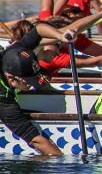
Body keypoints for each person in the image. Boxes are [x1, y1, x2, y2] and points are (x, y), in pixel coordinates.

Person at [0, 22, 69, 155]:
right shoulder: (3, 99)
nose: (31, 85)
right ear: (11, 78)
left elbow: (38, 29)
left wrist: (60, 36)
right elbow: (35, 140)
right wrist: (61, 161)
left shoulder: (15, 51)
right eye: (27, 81)